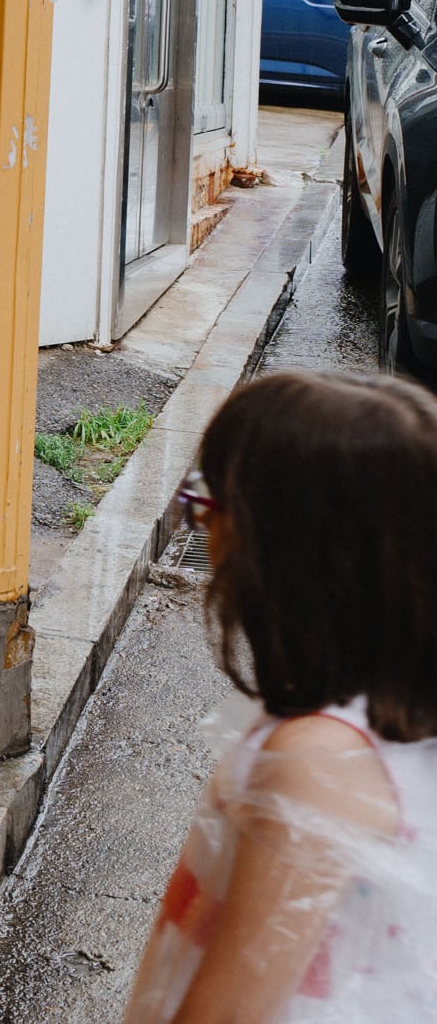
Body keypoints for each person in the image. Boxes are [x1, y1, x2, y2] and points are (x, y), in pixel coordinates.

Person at [122, 370, 437, 1023]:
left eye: (210, 503)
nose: (203, 522)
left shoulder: (317, 763)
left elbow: (227, 1015)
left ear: (284, 551)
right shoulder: (386, 715)